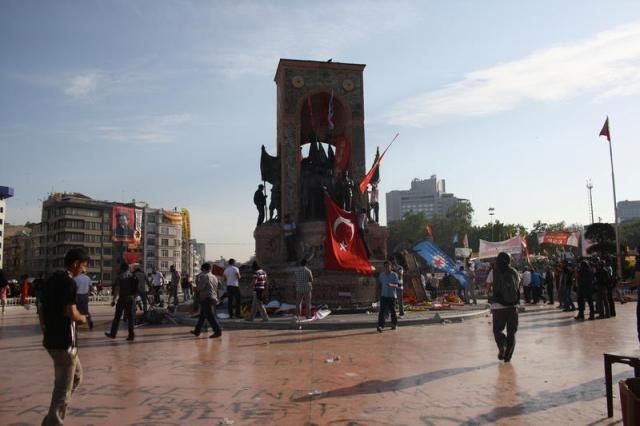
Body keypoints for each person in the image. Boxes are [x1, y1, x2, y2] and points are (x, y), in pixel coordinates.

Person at [39, 248, 89, 425]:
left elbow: (41, 309)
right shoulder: (69, 283)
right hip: (66, 343)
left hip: (51, 340)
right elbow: (71, 312)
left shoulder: (50, 280)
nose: (83, 270)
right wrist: (82, 318)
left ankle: (51, 417)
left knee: (76, 377)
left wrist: (45, 330)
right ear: (75, 264)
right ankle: (54, 422)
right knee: (63, 387)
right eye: (83, 266)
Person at [488, 252, 520, 363]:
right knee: (512, 332)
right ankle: (508, 357)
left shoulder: (493, 272)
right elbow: (517, 286)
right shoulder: (514, 272)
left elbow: (488, 286)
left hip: (498, 306)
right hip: (512, 306)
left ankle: (502, 345)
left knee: (497, 330)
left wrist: (490, 298)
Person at [105, 263, 137, 341]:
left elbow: (117, 289)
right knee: (131, 317)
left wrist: (113, 300)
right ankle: (131, 335)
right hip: (131, 298)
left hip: (123, 298)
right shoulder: (132, 276)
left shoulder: (120, 277)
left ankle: (113, 334)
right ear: (128, 268)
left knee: (117, 317)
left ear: (122, 269)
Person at [191, 263, 222, 338]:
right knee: (202, 315)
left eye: (201, 269)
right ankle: (197, 331)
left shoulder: (205, 276)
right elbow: (220, 286)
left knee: (210, 316)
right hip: (213, 298)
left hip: (206, 298)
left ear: (203, 269)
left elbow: (199, 288)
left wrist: (196, 283)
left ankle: (218, 331)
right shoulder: (214, 277)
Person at [377, 261, 399, 333]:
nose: (387, 267)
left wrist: (391, 285)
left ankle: (394, 324)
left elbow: (398, 285)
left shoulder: (394, 275)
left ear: (391, 267)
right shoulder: (381, 275)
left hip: (391, 296)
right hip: (383, 295)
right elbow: (380, 284)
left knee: (392, 311)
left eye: (389, 266)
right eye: (386, 266)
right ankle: (380, 325)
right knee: (382, 311)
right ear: (384, 267)